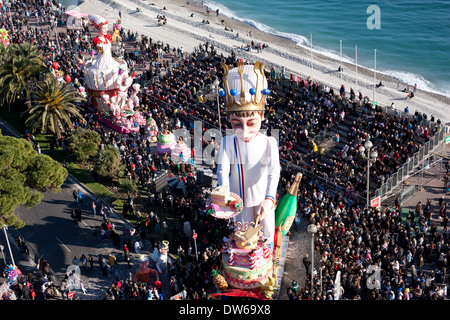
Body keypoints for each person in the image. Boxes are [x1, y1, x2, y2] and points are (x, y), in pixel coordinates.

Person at [217, 61, 280, 250]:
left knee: (266, 236)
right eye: (237, 124)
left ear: (262, 116)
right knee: (242, 238)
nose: (244, 132)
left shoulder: (270, 142)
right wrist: (224, 193)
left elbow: (274, 172)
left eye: (251, 123)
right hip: (238, 201)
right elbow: (222, 170)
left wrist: (269, 199)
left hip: (263, 200)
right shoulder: (228, 141)